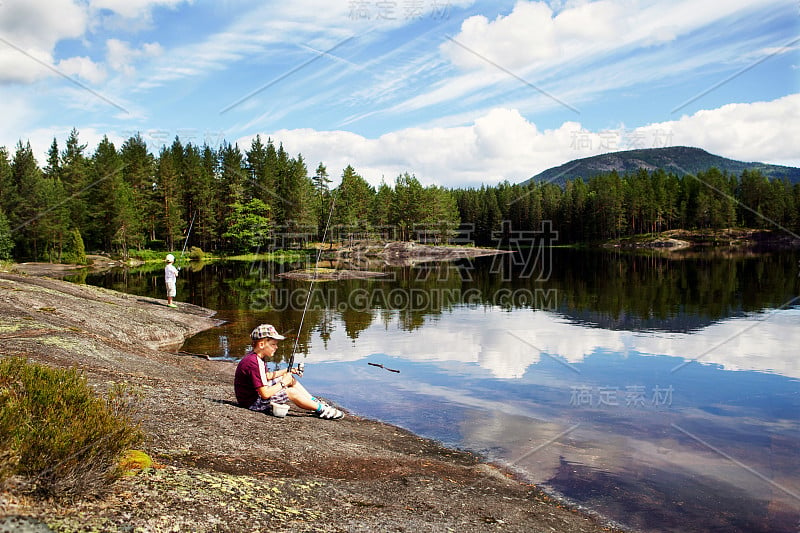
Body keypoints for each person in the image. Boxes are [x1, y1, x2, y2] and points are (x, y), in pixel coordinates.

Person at [234, 324, 344, 420]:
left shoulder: (256, 356)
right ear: (261, 344)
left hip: (253, 396)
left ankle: (314, 401)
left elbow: (266, 376)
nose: (276, 347)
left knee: (290, 379)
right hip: (252, 403)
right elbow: (265, 394)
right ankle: (321, 409)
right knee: (291, 392)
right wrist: (283, 383)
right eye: (273, 344)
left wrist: (288, 371)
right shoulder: (253, 362)